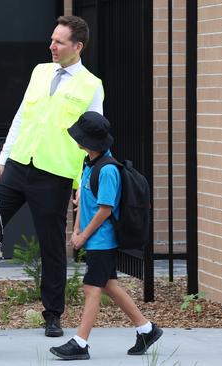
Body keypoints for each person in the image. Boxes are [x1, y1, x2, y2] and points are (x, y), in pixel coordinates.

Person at [0, 15, 104, 338]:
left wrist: (82, 184)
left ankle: (53, 315)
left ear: (77, 46)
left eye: (59, 42)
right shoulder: (40, 71)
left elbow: (94, 138)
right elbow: (21, 116)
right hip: (17, 165)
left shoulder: (91, 85)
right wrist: (3, 158)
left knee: (52, 247)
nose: (51, 46)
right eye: (52, 39)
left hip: (54, 176)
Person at [48, 112, 163, 360]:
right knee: (109, 285)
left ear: (90, 141)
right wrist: (76, 229)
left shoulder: (108, 170)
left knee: (91, 287)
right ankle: (147, 329)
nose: (76, 139)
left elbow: (105, 210)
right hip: (93, 238)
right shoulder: (88, 163)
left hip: (103, 240)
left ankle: (80, 343)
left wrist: (83, 236)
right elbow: (82, 202)